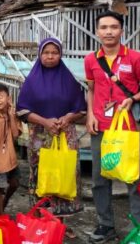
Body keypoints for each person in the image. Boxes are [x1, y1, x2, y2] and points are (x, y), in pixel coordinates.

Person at [84, 11, 140, 243]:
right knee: (99, 179)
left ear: (122, 30)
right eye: (104, 27)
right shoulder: (91, 59)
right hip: (101, 127)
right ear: (97, 31)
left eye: (114, 27)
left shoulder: (135, 57)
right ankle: (106, 225)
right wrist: (90, 115)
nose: (109, 32)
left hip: (129, 128)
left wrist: (133, 99)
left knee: (133, 179)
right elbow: (91, 89)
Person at [17, 38, 86, 236]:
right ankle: (41, 222)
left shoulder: (68, 79)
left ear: (60, 55)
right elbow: (22, 109)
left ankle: (60, 224)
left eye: (54, 52)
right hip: (40, 135)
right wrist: (46, 122)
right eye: (45, 52)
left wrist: (68, 118)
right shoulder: (32, 80)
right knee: (42, 176)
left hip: (65, 133)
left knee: (64, 175)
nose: (49, 56)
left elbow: (80, 108)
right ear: (39, 54)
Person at [0, 83, 21, 215]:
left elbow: (16, 134)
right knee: (0, 188)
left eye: (0, 96)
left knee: (15, 183)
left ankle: (5, 202)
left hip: (11, 159)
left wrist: (11, 117)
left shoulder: (12, 114)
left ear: (9, 98)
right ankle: (0, 215)